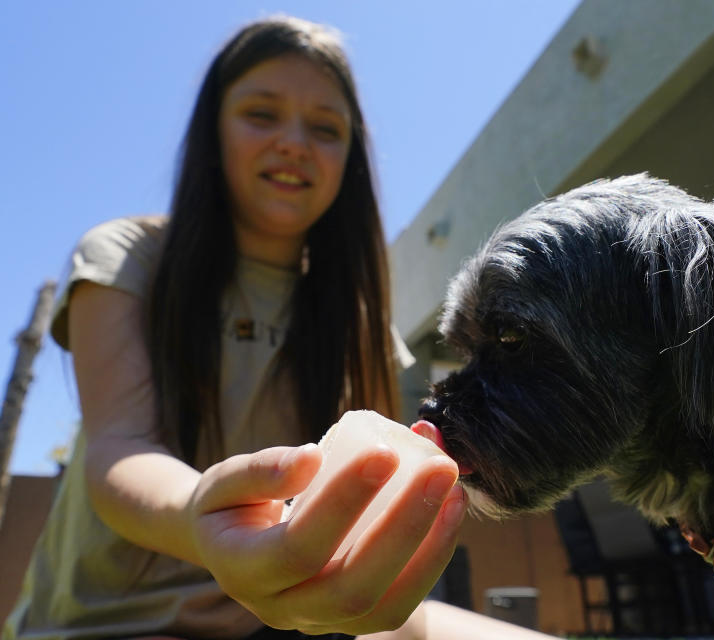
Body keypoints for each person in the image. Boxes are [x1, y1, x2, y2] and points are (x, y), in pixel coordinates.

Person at [1, 15, 510, 640]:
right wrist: (203, 516)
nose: (294, 142)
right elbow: (121, 450)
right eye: (261, 114)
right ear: (213, 131)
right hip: (101, 623)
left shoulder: (359, 325)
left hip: (287, 617)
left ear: (350, 156)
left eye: (325, 128)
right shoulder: (128, 256)